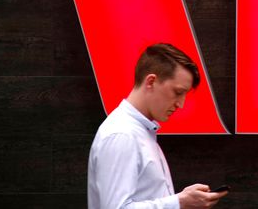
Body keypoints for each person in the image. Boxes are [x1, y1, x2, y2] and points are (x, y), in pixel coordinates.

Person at [88, 43, 228, 209]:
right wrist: (179, 202)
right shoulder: (122, 134)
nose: (181, 104)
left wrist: (181, 200)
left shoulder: (139, 132)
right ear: (151, 81)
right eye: (178, 92)